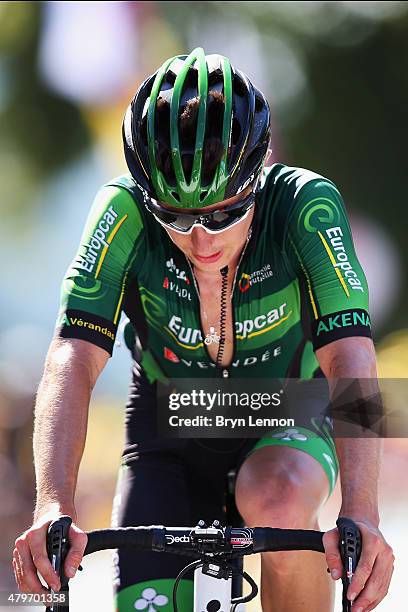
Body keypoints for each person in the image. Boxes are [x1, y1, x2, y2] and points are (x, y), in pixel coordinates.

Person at [13, 48, 394, 612]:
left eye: (223, 214)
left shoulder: (305, 207)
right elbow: (72, 359)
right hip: (171, 423)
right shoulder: (122, 213)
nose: (201, 239)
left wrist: (361, 511)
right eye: (177, 216)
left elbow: (353, 362)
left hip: (285, 409)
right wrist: (52, 504)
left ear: (257, 179)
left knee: (279, 498)